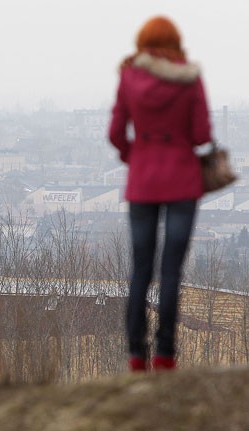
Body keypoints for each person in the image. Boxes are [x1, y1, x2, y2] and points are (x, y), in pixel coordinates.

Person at [108, 16, 212, 371]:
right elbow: (201, 134)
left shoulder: (129, 76)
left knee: (140, 270)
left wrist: (134, 156)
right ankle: (166, 353)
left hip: (142, 180)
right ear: (176, 42)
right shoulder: (190, 78)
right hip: (182, 179)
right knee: (171, 271)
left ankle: (137, 354)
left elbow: (116, 132)